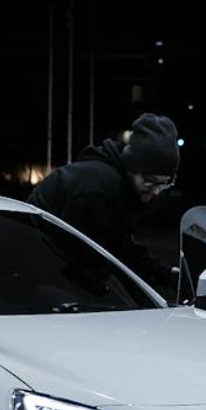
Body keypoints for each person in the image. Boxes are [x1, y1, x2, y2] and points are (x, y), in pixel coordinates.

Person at [27, 112, 181, 291]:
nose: (155, 190)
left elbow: (120, 245)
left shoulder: (126, 188)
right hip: (32, 264)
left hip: (53, 265)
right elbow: (76, 252)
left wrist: (165, 274)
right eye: (149, 181)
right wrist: (100, 290)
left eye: (163, 184)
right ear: (132, 168)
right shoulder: (97, 188)